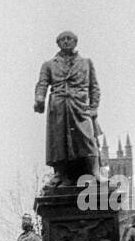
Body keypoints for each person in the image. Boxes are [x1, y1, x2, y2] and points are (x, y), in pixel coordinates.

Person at [34, 30, 101, 187]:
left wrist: (94, 107)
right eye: (62, 40)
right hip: (59, 107)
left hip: (80, 106)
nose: (66, 42)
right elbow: (42, 83)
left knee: (87, 138)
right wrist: (39, 98)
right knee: (59, 142)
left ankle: (95, 172)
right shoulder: (49, 64)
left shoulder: (86, 62)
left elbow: (94, 87)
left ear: (75, 42)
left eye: (69, 39)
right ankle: (61, 174)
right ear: (58, 43)